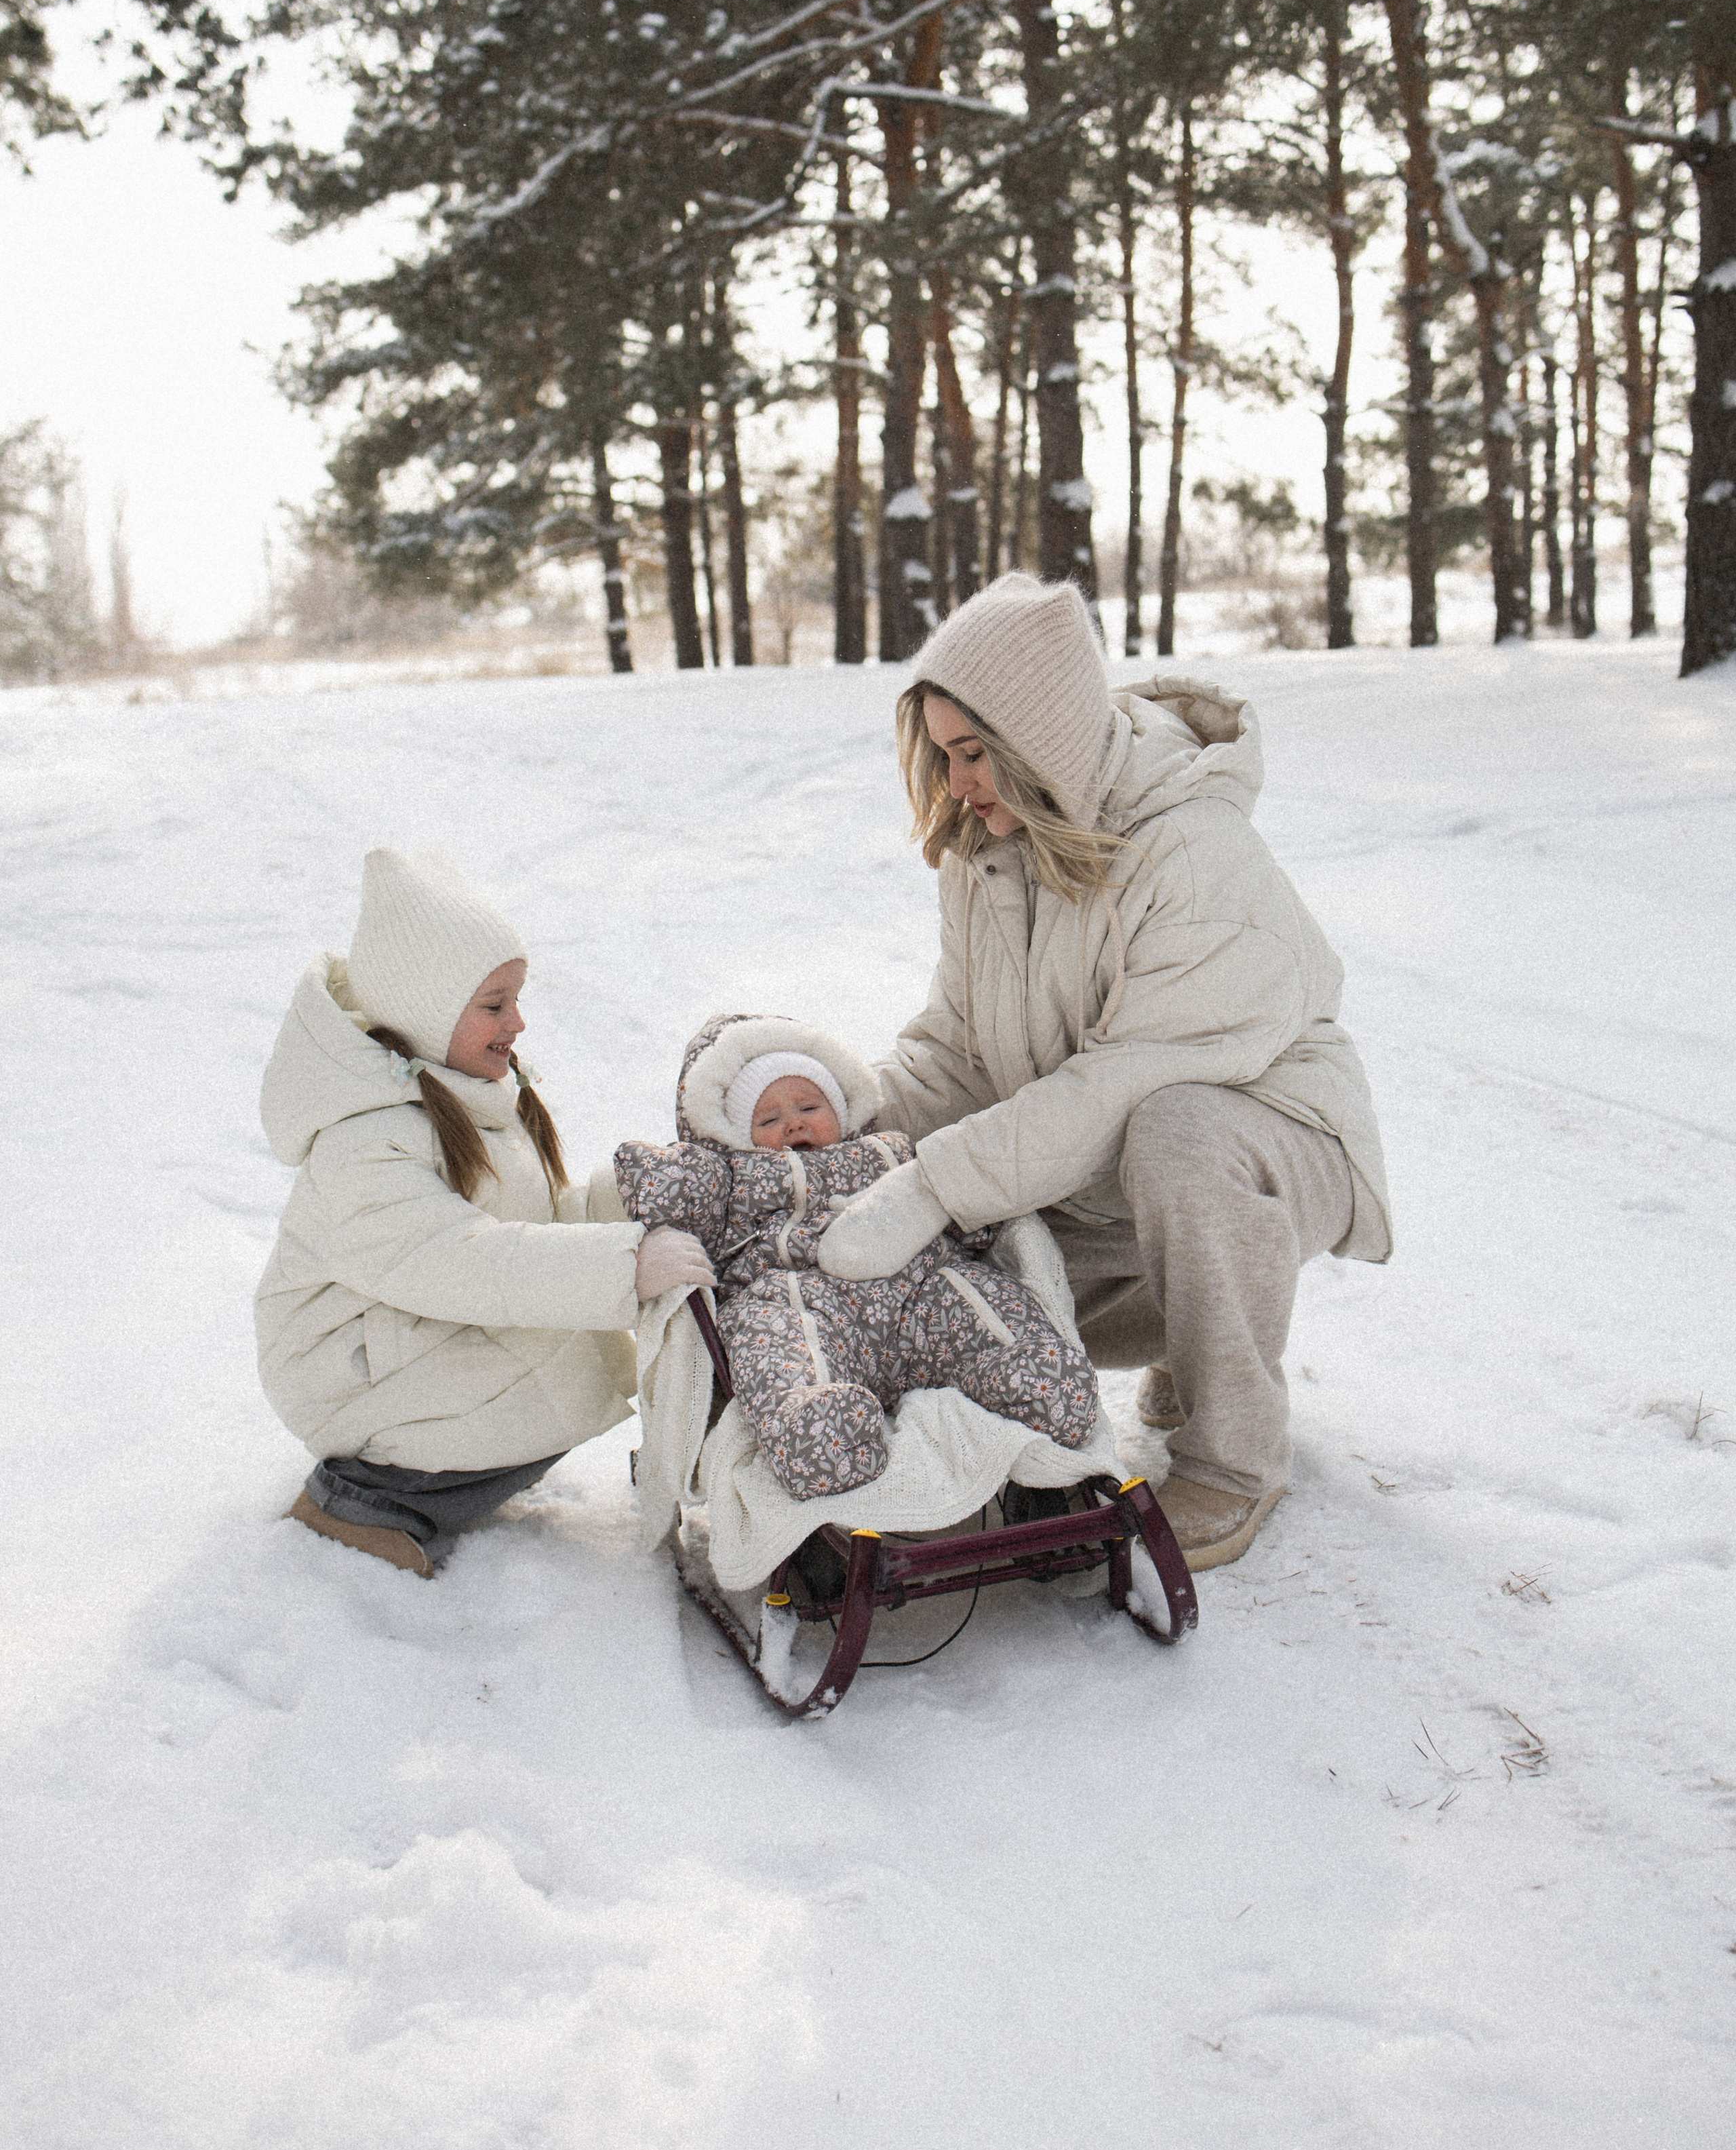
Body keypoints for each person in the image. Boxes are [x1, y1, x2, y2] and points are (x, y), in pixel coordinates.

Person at [816, 572, 1392, 1570]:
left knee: (1176, 1134)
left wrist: (935, 1181)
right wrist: (833, 1110)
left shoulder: (1195, 858)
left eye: (971, 753)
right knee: (965, 1296)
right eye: (942, 754)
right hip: (1110, 1161)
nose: (955, 785)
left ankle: (1236, 1456)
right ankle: (1188, 1323)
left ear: (1035, 739)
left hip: (1270, 1140)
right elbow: (959, 1048)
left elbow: (1119, 1089)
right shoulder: (988, 851)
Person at [256, 846, 709, 1575]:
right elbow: (456, 1260)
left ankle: (437, 1477)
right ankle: (361, 1503)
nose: (519, 1022)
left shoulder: (467, 1093)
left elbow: (523, 1221)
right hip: (353, 1371)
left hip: (412, 1333)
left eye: (517, 999)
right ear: (423, 1014)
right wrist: (625, 1264)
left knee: (573, 1376)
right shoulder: (365, 1143)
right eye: (494, 1006)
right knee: (560, 1381)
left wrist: (624, 1200)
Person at [613, 1011, 1099, 1500]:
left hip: (917, 1292)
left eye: (809, 1105)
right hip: (801, 1304)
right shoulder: (732, 1179)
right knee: (769, 1336)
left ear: (842, 1107)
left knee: (968, 1292)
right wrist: (672, 1173)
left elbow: (958, 1201)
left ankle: (1031, 1378)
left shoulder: (889, 1153)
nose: (794, 1122)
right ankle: (818, 1425)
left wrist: (975, 1208)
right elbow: (672, 1197)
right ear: (736, 1135)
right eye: (768, 1119)